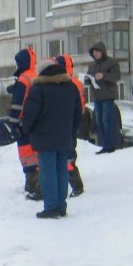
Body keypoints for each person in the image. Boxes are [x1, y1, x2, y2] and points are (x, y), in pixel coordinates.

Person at [21, 58, 83, 219]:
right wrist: (71, 132)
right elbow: (78, 113)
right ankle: (61, 206)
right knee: (61, 170)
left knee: (47, 172)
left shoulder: (38, 89)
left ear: (41, 72)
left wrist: (26, 129)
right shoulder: (71, 87)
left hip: (44, 138)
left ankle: (51, 207)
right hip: (64, 137)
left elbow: (30, 114)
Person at [7, 47, 41, 200]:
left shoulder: (23, 79)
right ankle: (37, 183)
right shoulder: (35, 76)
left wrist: (13, 123)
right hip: (37, 122)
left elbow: (18, 104)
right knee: (36, 154)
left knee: (27, 155)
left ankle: (33, 185)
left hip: (23, 122)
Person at [56, 54, 85, 197]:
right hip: (70, 124)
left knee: (68, 156)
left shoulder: (70, 84)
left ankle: (76, 184)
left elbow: (77, 107)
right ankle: (73, 182)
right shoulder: (73, 82)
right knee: (68, 154)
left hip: (69, 124)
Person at [86, 41, 120, 153]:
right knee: (99, 121)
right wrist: (87, 80)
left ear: (102, 52)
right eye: (93, 52)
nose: (95, 54)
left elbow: (116, 76)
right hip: (97, 96)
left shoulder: (112, 62)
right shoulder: (92, 65)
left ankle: (109, 145)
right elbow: (89, 78)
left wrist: (104, 76)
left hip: (108, 95)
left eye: (97, 52)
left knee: (107, 120)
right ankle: (103, 144)